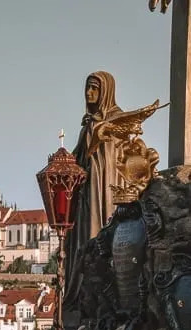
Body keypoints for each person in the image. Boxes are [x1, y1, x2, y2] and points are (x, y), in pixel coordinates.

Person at [64, 71, 123, 315]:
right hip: (87, 196)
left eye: (94, 89)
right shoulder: (88, 124)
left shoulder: (115, 121)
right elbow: (81, 157)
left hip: (103, 194)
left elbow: (112, 160)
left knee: (96, 239)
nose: (89, 94)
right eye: (87, 88)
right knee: (80, 242)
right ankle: (78, 292)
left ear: (106, 92)